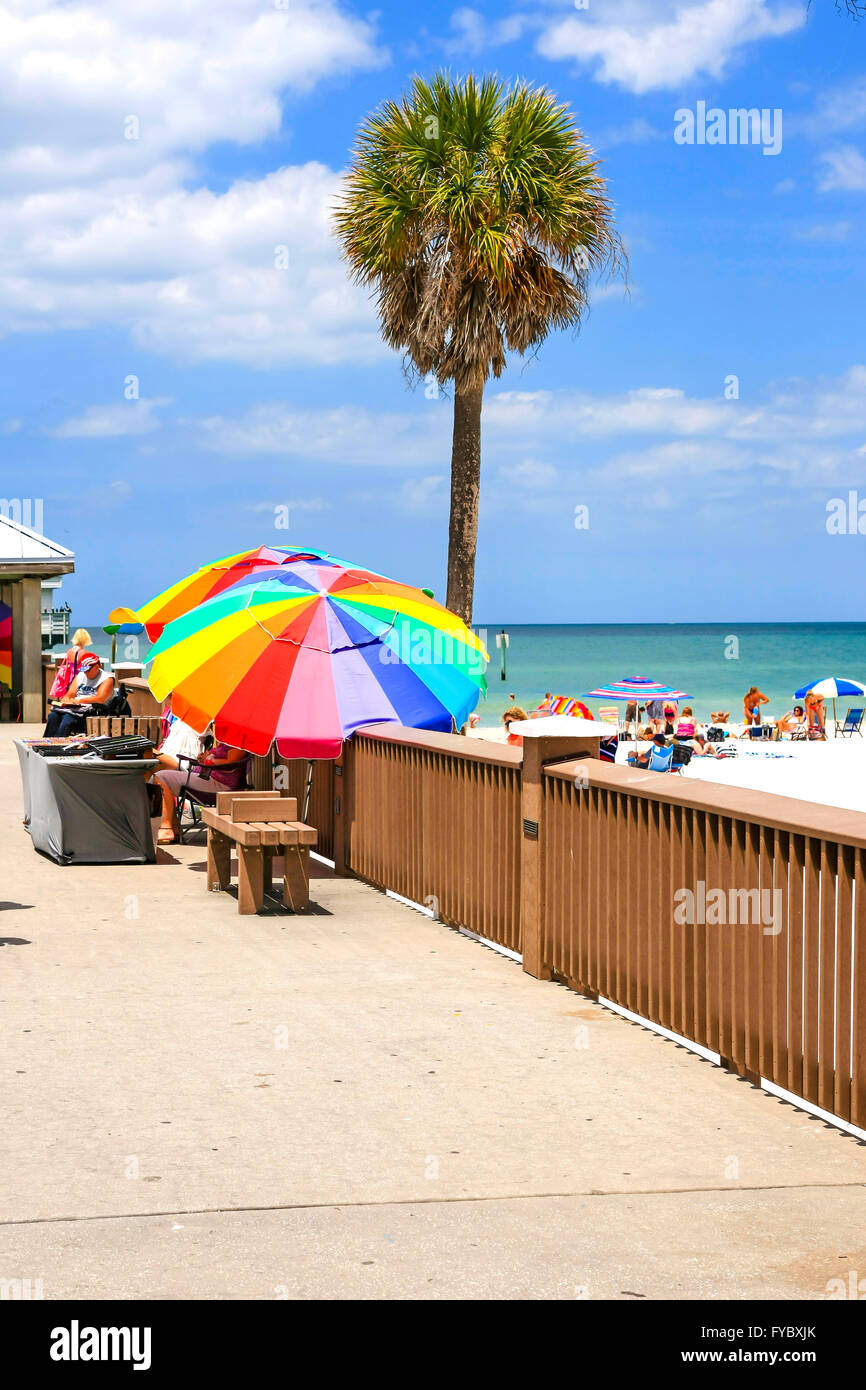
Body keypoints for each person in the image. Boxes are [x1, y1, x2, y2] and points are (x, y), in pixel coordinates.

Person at [152, 738, 248, 844]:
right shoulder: (225, 743)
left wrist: (209, 761)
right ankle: (173, 828)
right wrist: (204, 758)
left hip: (220, 785)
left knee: (161, 777)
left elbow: (231, 762)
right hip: (207, 779)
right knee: (161, 776)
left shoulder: (238, 743)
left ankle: (167, 829)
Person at [44, 654, 115, 736]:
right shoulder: (81, 675)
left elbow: (100, 698)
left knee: (67, 719)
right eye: (84, 670)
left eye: (88, 670)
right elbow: (70, 694)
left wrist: (78, 701)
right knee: (53, 716)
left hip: (92, 710)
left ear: (96, 667)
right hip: (75, 708)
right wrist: (67, 699)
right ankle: (46, 742)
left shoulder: (106, 679)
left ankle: (57, 744)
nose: (85, 673)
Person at [48, 627, 92, 700]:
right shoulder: (83, 652)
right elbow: (85, 668)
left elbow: (69, 665)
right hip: (79, 680)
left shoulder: (70, 651)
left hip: (70, 680)